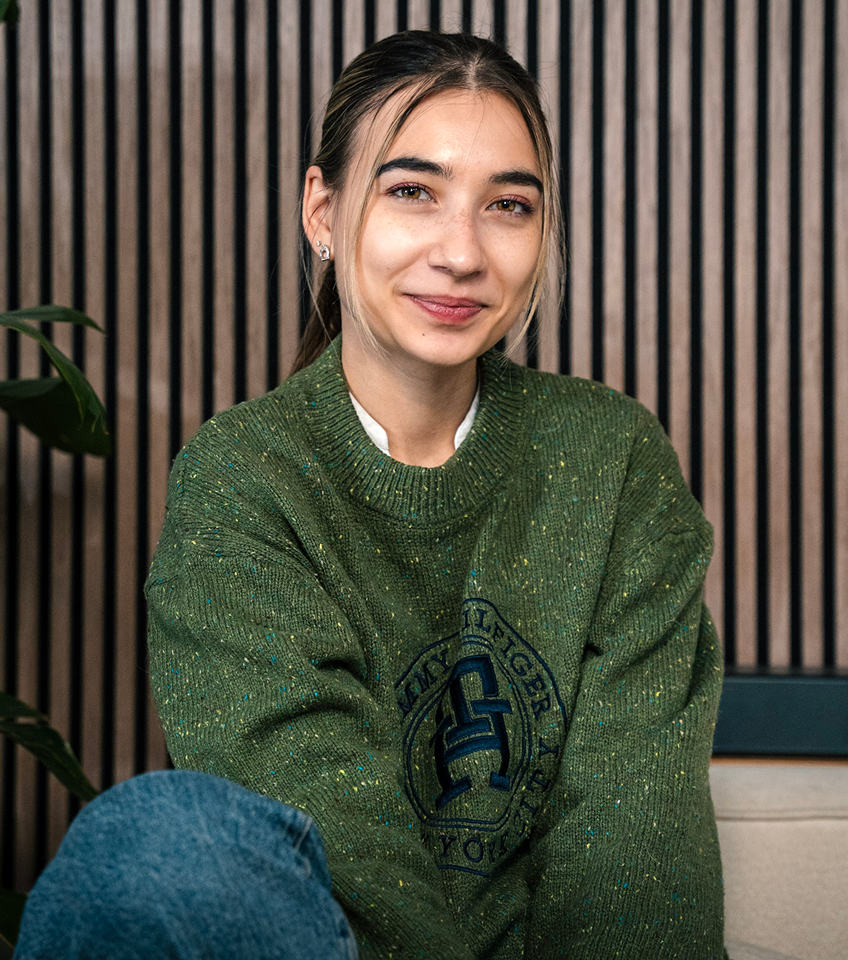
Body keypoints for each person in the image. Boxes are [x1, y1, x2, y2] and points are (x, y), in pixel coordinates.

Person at [14, 30, 727, 960]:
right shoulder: (244, 478)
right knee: (156, 841)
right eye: (411, 192)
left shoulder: (611, 459)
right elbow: (335, 838)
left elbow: (635, 838)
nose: (462, 252)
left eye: (508, 206)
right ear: (321, 208)